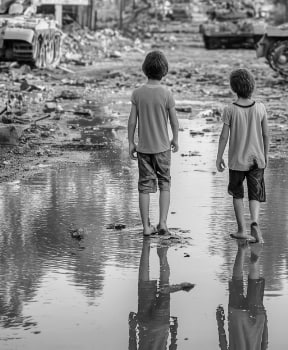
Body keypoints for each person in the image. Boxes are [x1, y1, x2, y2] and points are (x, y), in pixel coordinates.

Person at [128, 50, 179, 237]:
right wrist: (176, 138)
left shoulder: (137, 93)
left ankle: (146, 227)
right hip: (163, 149)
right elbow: (174, 121)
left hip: (144, 149)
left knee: (144, 187)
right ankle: (163, 223)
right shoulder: (167, 94)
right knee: (165, 183)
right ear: (164, 71)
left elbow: (132, 122)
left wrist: (130, 142)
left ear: (144, 69)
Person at [216, 68, 269, 243]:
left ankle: (242, 230)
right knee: (255, 194)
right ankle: (254, 222)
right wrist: (266, 155)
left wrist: (219, 157)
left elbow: (224, 136)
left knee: (237, 194)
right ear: (252, 86)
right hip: (257, 160)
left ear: (234, 88)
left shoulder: (230, 109)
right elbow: (266, 135)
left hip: (237, 162)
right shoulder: (260, 108)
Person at [216, 242, 268, 350]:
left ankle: (254, 257)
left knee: (254, 283)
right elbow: (223, 343)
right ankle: (242, 248)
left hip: (257, 321)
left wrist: (264, 320)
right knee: (237, 282)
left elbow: (265, 343)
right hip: (237, 319)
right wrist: (220, 322)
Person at [129, 241, 178, 350]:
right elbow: (132, 347)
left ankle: (162, 254)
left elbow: (173, 348)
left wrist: (174, 333)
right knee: (144, 284)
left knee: (165, 284)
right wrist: (132, 328)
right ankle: (146, 245)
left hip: (161, 326)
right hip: (144, 325)